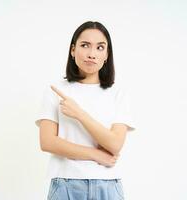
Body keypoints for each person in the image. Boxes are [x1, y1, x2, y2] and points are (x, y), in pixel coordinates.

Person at [35, 21, 136, 200]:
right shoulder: (55, 90)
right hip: (65, 185)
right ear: (73, 50)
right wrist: (96, 154)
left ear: (107, 55)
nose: (91, 54)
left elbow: (114, 144)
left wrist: (79, 113)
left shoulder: (118, 94)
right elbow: (47, 142)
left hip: (108, 186)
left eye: (100, 47)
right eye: (85, 45)